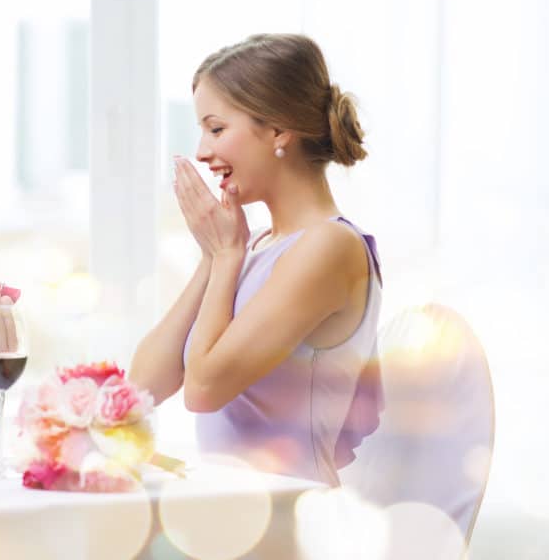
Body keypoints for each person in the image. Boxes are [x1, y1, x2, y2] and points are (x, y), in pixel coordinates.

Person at [129, 34, 382, 485]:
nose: (203, 151)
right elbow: (143, 387)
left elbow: (204, 389)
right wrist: (214, 257)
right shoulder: (257, 245)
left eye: (217, 128)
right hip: (235, 518)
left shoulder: (329, 248)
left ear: (279, 130)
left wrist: (226, 257)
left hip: (290, 525)